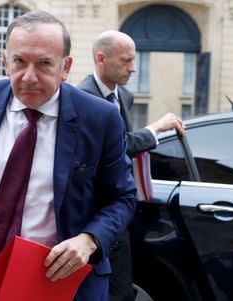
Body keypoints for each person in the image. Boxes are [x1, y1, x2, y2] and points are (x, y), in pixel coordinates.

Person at [0, 11, 138, 301]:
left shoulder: (100, 118)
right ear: (6, 62)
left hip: (59, 281)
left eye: (44, 64)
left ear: (65, 67)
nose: (29, 77)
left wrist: (89, 240)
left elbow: (123, 198)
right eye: (19, 62)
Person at [78, 30, 186, 301]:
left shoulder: (124, 96)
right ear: (101, 58)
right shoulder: (82, 98)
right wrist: (156, 129)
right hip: (91, 214)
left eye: (133, 60)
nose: (133, 68)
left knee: (122, 291)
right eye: (125, 61)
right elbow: (116, 147)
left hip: (121, 212)